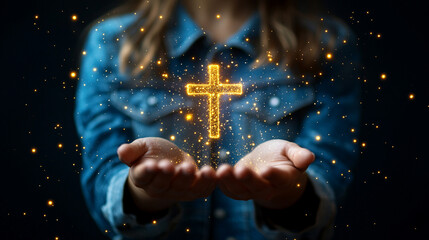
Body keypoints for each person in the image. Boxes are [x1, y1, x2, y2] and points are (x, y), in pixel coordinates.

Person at [74, 0, 361, 239]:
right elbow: (104, 179)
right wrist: (144, 193)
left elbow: (328, 173)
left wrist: (290, 195)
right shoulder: (112, 42)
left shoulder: (325, 42)